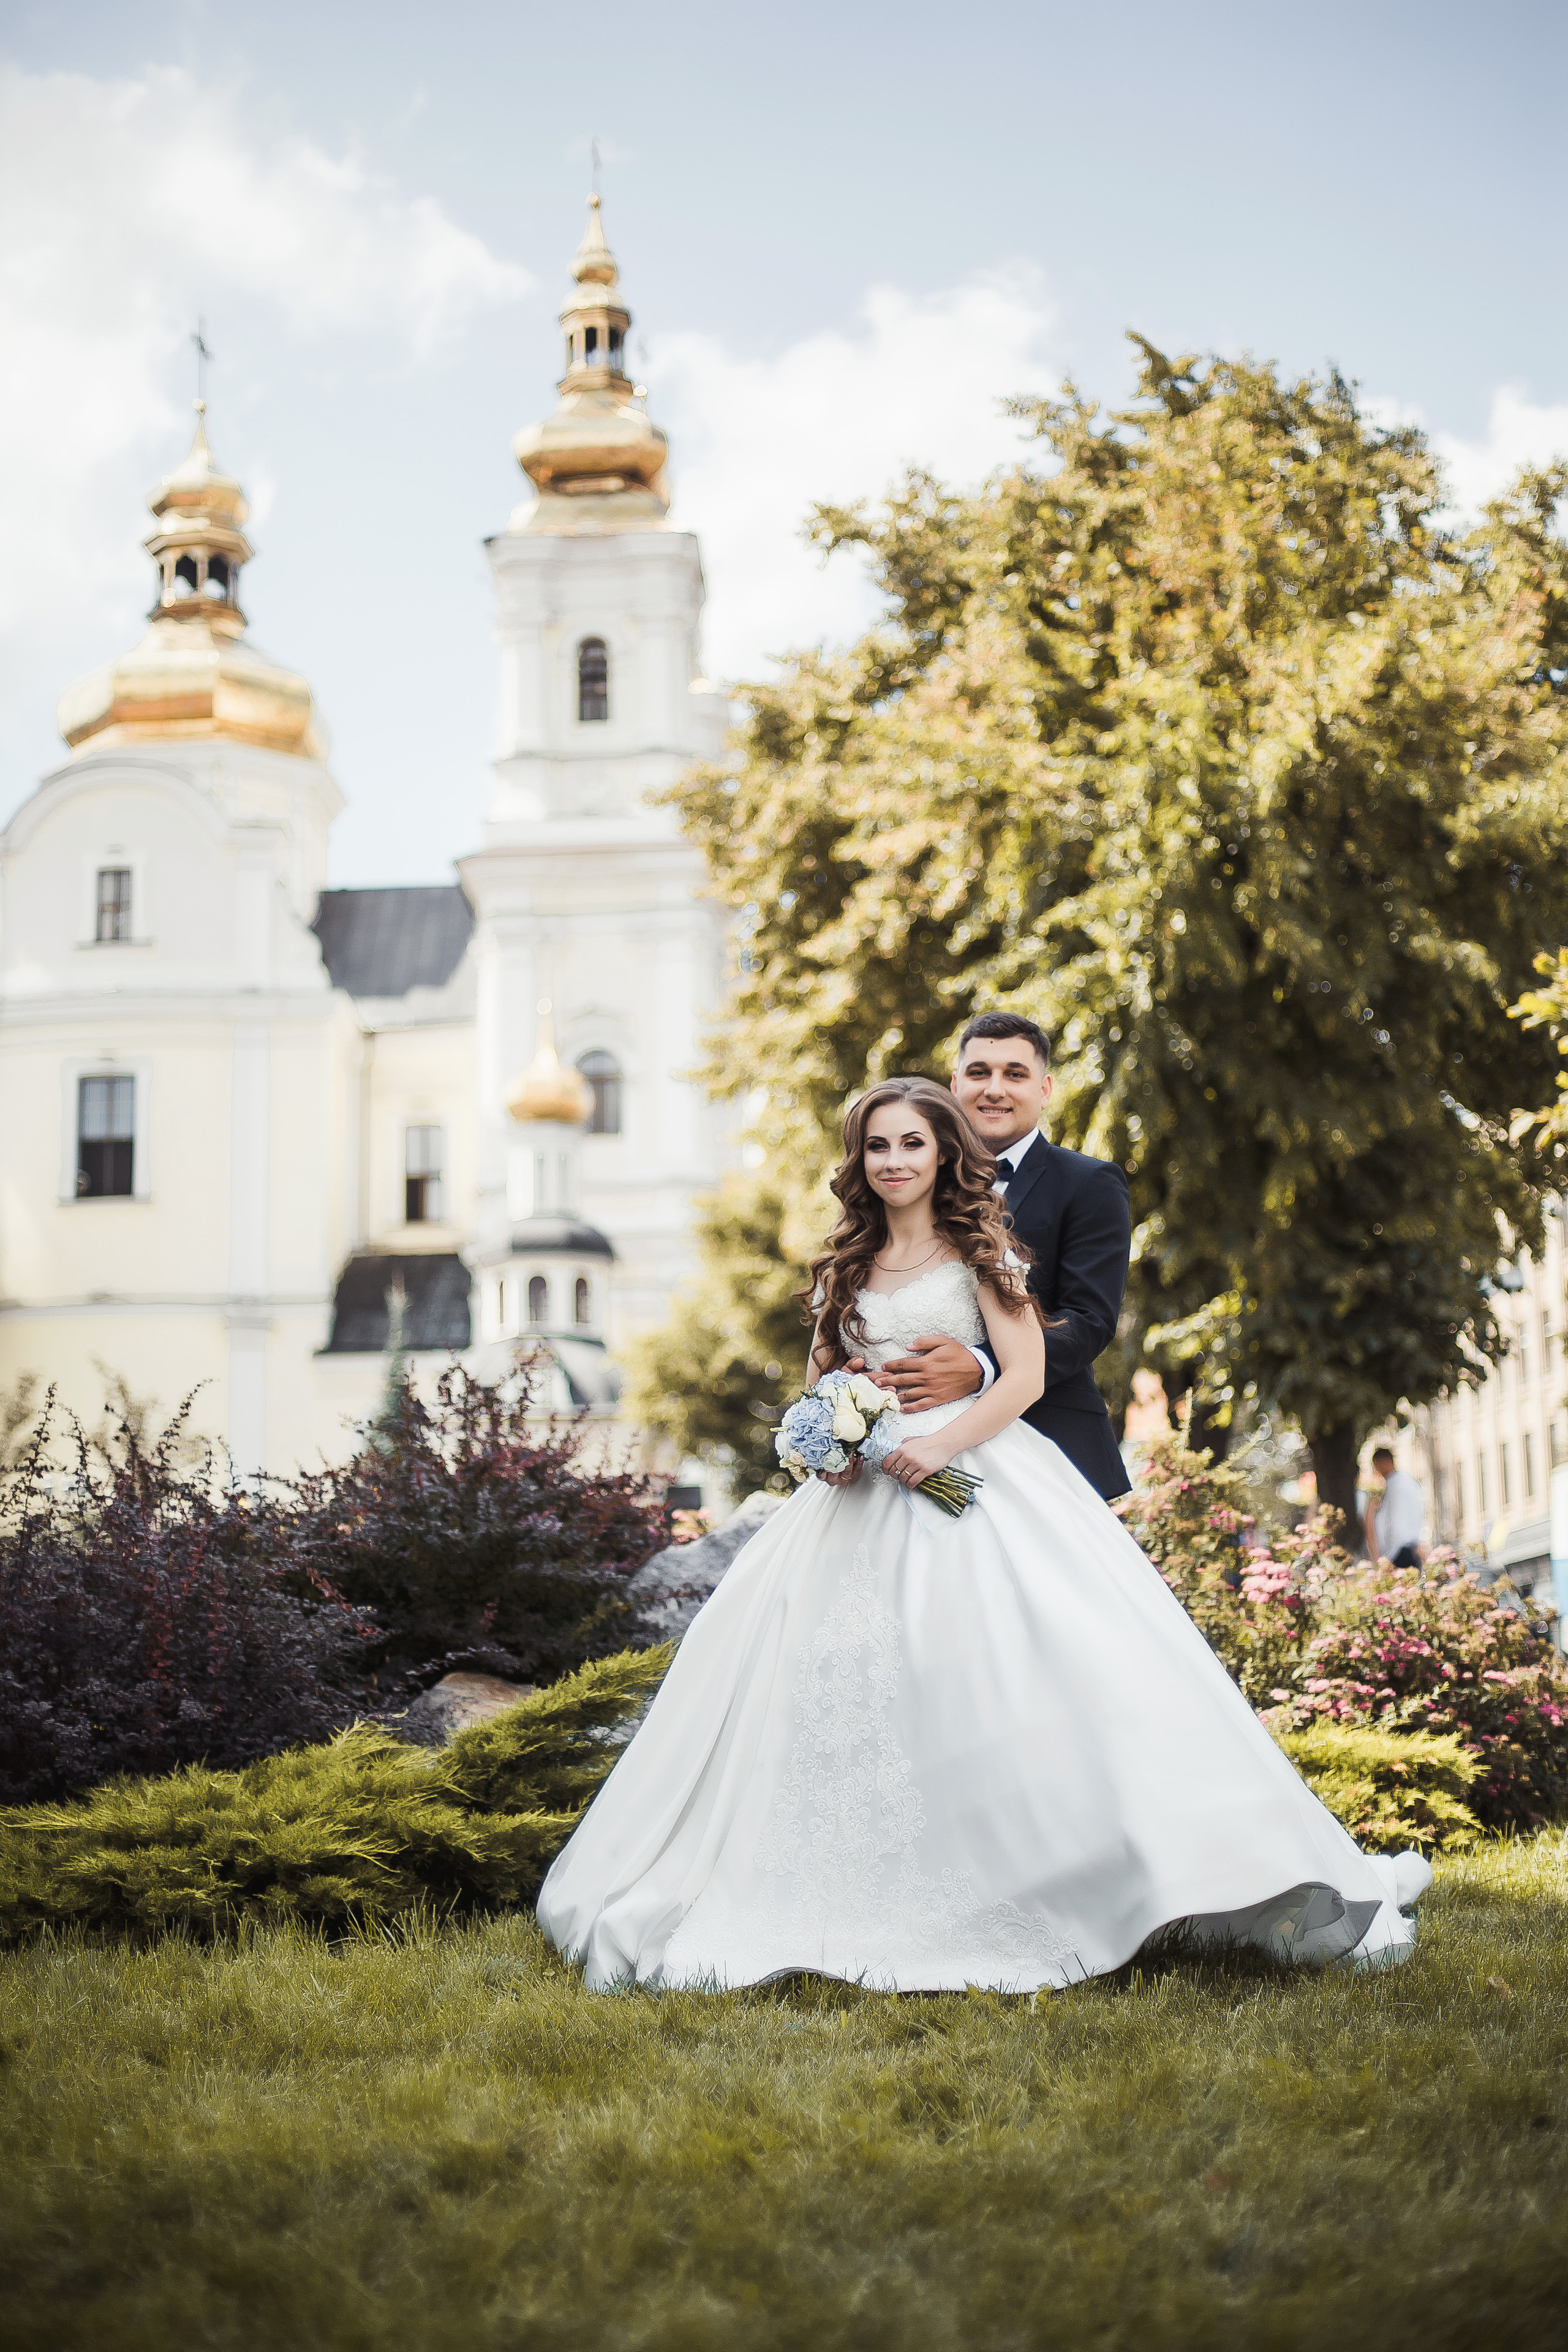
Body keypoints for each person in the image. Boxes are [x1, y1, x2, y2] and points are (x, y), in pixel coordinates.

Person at [537, 1076, 1429, 1994]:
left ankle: (1094, 1874)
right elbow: (822, 1379)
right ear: (859, 1161)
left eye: (911, 1145)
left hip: (974, 1478)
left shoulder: (980, 1250)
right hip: (857, 1499)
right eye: (876, 1146)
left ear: (942, 1155)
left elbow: (1026, 1375)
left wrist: (942, 1444)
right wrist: (833, 1446)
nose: (893, 1162)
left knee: (1009, 1669)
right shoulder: (844, 1264)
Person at [841, 1014, 1132, 1501]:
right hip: (891, 1453)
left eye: (1014, 1074)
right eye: (979, 1073)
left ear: (1044, 1088)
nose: (994, 1089)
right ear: (955, 1085)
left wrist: (981, 1366)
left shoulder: (1089, 1183)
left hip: (1044, 1443)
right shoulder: (901, 1184)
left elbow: (1089, 1321)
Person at [1365, 1447, 1425, 1570]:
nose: (1377, 1470)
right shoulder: (1408, 1481)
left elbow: (1393, 1522)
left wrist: (1388, 1554)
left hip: (1399, 1551)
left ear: (1384, 1462)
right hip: (1412, 1546)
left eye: (1376, 1465)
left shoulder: (1394, 1485)